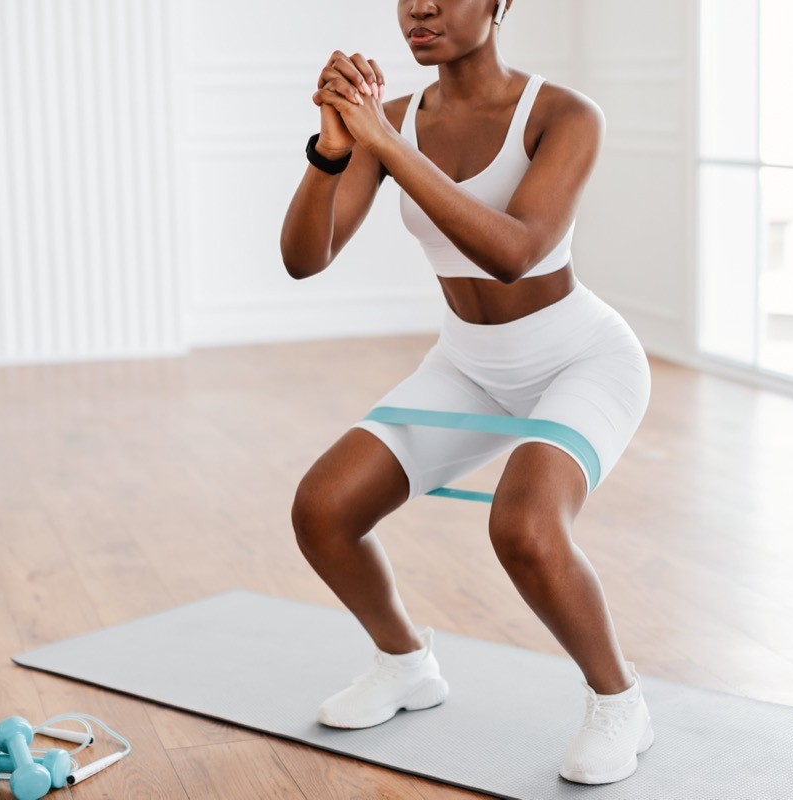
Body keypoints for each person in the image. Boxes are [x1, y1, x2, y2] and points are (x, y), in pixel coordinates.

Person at [280, 0, 653, 785]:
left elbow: (515, 252)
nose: (418, 8)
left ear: (498, 3)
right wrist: (331, 147)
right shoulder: (389, 121)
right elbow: (304, 259)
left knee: (524, 530)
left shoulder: (565, 115)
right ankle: (405, 662)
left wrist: (384, 143)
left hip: (581, 358)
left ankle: (620, 701)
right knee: (323, 509)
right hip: (469, 365)